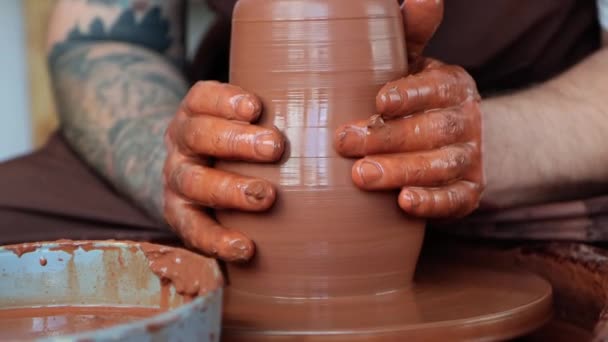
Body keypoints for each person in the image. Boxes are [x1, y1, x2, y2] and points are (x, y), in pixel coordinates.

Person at [0, 0, 606, 261]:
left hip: (533, 137)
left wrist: (473, 145)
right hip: (227, 153)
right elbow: (106, 35)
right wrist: (184, 172)